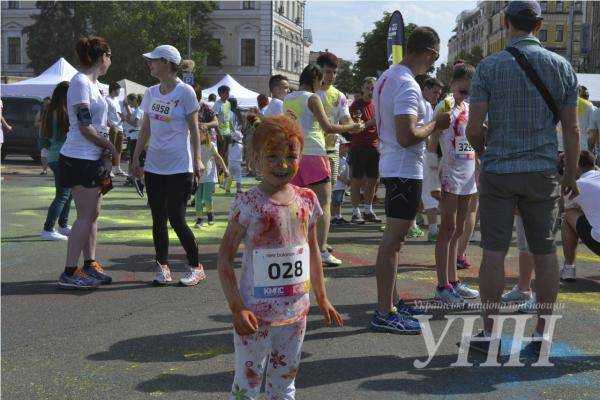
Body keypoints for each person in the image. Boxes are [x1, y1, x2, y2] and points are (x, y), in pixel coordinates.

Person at [466, 0, 580, 353]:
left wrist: (486, 149)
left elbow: (472, 129)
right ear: (540, 24)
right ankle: (541, 334)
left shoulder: (488, 67)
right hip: (542, 171)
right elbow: (572, 129)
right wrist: (571, 174)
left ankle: (490, 333)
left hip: (499, 169)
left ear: (505, 21)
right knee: (545, 252)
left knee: (494, 253)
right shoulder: (562, 66)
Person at [218, 115, 343, 400]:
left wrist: (322, 297)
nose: (282, 164)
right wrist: (237, 307)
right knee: (247, 384)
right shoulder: (248, 204)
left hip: (296, 313)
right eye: (272, 156)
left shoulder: (307, 200)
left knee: (284, 383)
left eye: (291, 156)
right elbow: (224, 259)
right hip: (255, 315)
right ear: (255, 158)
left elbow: (312, 252)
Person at [371, 26, 450, 333]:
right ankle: (385, 311)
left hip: (394, 165)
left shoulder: (389, 76)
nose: (434, 63)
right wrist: (435, 123)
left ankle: (390, 303)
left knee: (394, 241)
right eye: (436, 57)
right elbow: (407, 135)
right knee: (392, 242)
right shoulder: (407, 84)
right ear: (429, 53)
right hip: (403, 167)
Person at [132, 44, 206, 287]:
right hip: (154, 165)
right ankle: (162, 267)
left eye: (153, 60)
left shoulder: (185, 92)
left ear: (167, 63)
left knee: (177, 217)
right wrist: (135, 158)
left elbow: (194, 129)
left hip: (179, 165)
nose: (149, 64)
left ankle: (196, 266)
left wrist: (197, 159)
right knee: (158, 218)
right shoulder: (151, 92)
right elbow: (145, 128)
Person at [284, 64, 363, 267]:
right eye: (321, 81)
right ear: (315, 79)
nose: (323, 85)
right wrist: (352, 127)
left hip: (294, 154)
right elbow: (328, 127)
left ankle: (296, 247)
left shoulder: (288, 98)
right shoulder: (313, 98)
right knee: (323, 204)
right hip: (314, 153)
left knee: (296, 204)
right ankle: (321, 250)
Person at [57, 36, 116, 289]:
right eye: (109, 55)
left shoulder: (96, 85)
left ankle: (90, 264)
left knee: (93, 215)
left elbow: (101, 124)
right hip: (79, 157)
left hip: (93, 158)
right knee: (83, 216)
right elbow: (84, 127)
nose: (111, 60)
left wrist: (105, 151)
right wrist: (110, 147)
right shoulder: (80, 82)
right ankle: (70, 271)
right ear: (101, 56)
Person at [429, 63, 480, 305]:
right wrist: (432, 180)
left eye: (469, 92)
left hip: (468, 175)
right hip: (449, 174)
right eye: (462, 91)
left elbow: (472, 143)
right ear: (452, 86)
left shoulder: (468, 107)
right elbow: (431, 144)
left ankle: (454, 281)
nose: (465, 96)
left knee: (459, 230)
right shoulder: (445, 106)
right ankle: (442, 285)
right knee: (447, 229)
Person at [40, 82, 73, 241]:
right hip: (62, 156)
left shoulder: (50, 111)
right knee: (63, 194)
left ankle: (63, 225)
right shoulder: (63, 112)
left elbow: (43, 138)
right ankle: (48, 228)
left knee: (67, 193)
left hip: (56, 156)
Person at [561, 150, 600, 280]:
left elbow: (564, 207)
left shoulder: (578, 185)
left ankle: (568, 269)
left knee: (568, 214)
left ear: (575, 166)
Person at [348, 77, 381, 224]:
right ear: (362, 89)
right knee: (356, 180)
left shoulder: (377, 104)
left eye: (373, 88)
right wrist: (372, 122)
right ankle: (355, 212)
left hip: (374, 147)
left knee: (373, 180)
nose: (371, 91)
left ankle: (368, 209)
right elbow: (356, 128)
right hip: (359, 147)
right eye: (368, 88)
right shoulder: (356, 105)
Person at [420, 77, 444, 242]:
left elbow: (429, 130)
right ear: (425, 89)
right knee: (427, 190)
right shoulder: (415, 101)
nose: (437, 96)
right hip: (416, 154)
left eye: (439, 93)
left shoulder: (428, 106)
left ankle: (424, 225)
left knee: (426, 189)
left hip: (425, 152)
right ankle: (433, 229)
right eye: (435, 92)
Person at [195, 128, 228, 228]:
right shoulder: (195, 146)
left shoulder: (211, 145)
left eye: (200, 133)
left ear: (205, 134)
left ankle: (210, 215)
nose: (198, 135)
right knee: (197, 199)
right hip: (198, 176)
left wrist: (225, 169)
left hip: (209, 175)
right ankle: (199, 219)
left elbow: (218, 157)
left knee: (206, 198)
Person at [121, 93, 145, 195]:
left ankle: (139, 181)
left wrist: (124, 118)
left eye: (130, 101)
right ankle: (136, 179)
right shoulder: (137, 110)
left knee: (138, 160)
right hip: (134, 137)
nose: (129, 103)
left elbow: (136, 124)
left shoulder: (139, 110)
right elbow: (132, 118)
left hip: (136, 137)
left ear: (135, 101)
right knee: (135, 159)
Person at [106, 82, 127, 176]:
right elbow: (105, 113)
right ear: (114, 90)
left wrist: (122, 116)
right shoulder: (106, 99)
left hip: (120, 127)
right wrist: (109, 124)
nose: (119, 92)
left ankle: (117, 168)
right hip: (112, 127)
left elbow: (118, 112)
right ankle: (109, 169)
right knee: (111, 148)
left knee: (119, 148)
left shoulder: (116, 100)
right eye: (118, 90)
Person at [225, 97, 244, 194]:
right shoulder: (236, 114)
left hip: (233, 141)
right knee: (236, 172)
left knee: (231, 171)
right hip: (236, 142)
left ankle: (228, 188)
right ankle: (238, 188)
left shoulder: (231, 114)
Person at [331, 138, 351, 224]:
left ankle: (338, 216)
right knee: (336, 201)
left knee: (339, 201)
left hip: (342, 185)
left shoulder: (344, 158)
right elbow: (334, 172)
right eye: (344, 146)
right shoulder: (336, 159)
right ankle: (335, 217)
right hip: (337, 185)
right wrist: (344, 180)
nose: (347, 148)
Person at [214, 85, 232, 162]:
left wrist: (232, 131)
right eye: (226, 93)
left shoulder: (228, 103)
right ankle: (221, 172)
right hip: (221, 133)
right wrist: (219, 133)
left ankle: (226, 172)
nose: (227, 95)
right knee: (221, 154)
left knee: (227, 153)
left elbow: (229, 118)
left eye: (228, 93)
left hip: (228, 132)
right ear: (220, 94)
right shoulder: (217, 104)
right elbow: (215, 120)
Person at [35, 97, 51, 175]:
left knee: (55, 152)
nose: (46, 105)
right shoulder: (40, 112)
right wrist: (43, 123)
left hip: (53, 136)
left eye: (48, 103)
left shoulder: (55, 112)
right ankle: (44, 170)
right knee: (44, 153)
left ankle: (55, 170)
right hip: (43, 135)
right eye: (44, 103)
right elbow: (36, 123)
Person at [577, 86, 596, 151]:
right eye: (584, 95)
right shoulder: (590, 106)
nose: (586, 97)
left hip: (583, 147)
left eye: (587, 95)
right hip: (584, 147)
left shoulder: (592, 108)